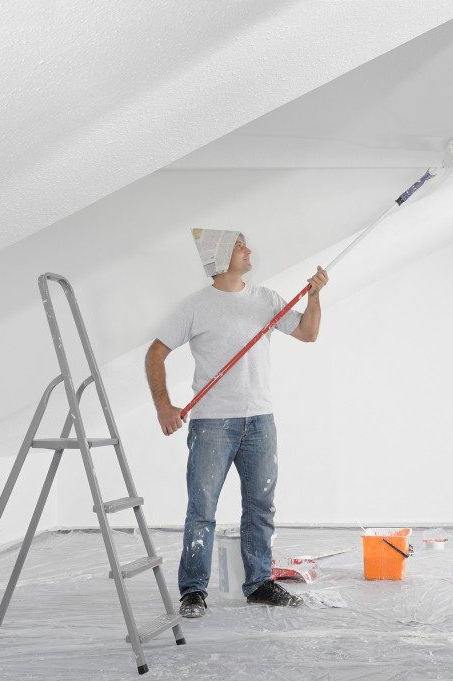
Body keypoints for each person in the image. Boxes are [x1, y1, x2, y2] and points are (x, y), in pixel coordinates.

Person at [145, 228, 328, 618]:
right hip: (212, 423)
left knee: (261, 507)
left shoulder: (265, 299)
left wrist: (314, 297)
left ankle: (260, 584)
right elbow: (155, 353)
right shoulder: (195, 306)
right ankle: (193, 591)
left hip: (260, 420)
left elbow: (308, 333)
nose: (248, 250)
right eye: (240, 245)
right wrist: (164, 406)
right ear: (220, 256)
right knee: (202, 510)